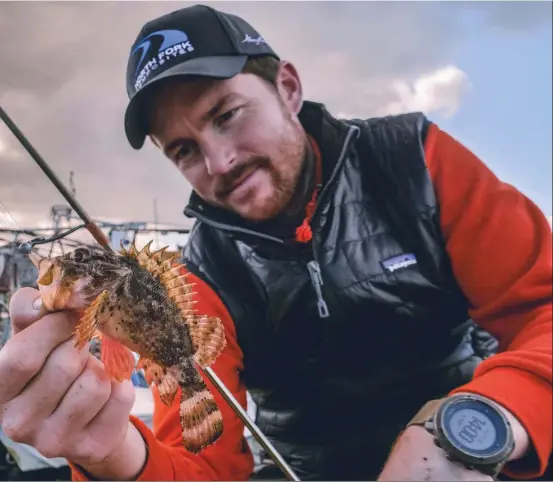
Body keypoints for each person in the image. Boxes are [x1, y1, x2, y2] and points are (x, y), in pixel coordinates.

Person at [1, 4, 551, 481]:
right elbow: (204, 465)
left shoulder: (414, 160)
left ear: (288, 87)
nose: (219, 162)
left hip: (488, 444)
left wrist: (479, 424)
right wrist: (115, 456)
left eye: (227, 115)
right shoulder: (196, 283)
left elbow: (544, 311)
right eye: (183, 151)